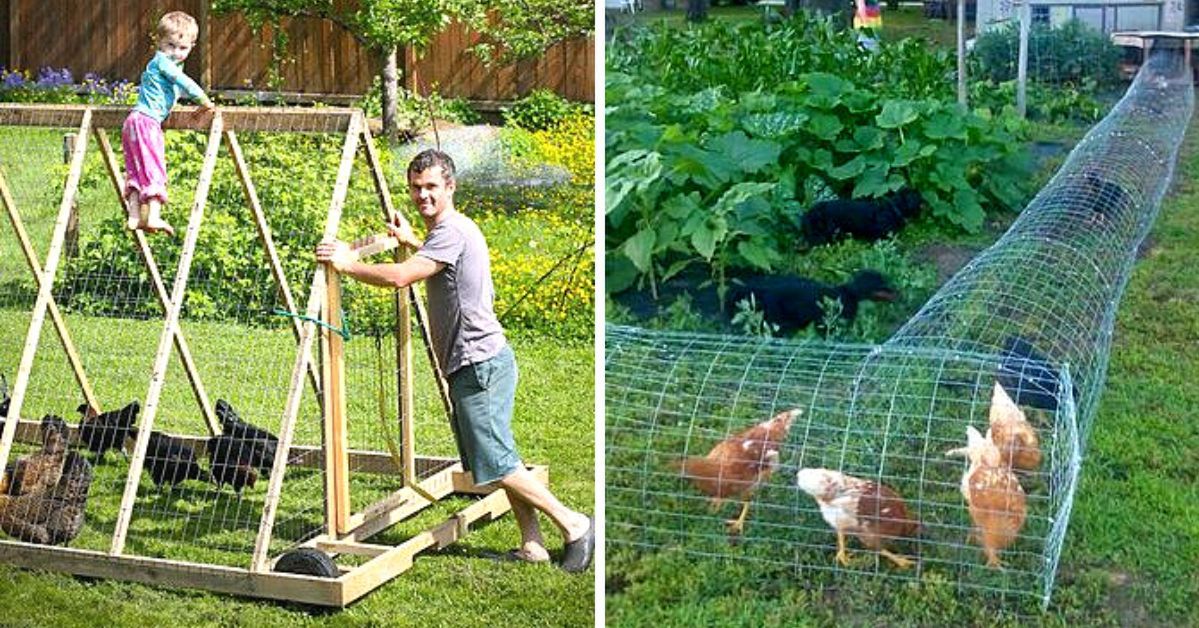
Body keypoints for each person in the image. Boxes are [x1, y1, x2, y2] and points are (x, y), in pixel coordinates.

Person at [314, 149, 595, 573]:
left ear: (450, 186)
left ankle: (574, 523)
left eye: (431, 187)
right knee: (500, 457)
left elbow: (400, 277)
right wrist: (411, 240)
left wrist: (348, 263)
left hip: (478, 364)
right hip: (482, 362)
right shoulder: (449, 230)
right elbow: (438, 261)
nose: (422, 195)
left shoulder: (450, 232)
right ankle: (532, 544)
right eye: (415, 187)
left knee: (497, 462)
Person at [121, 11, 215, 236]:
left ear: (192, 46)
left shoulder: (159, 64)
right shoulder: (163, 63)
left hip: (133, 121)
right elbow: (184, 82)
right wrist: (204, 102)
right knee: (154, 168)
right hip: (147, 123)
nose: (175, 52)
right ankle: (153, 216)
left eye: (182, 48)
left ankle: (134, 216)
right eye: (170, 45)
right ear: (159, 43)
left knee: (135, 168)